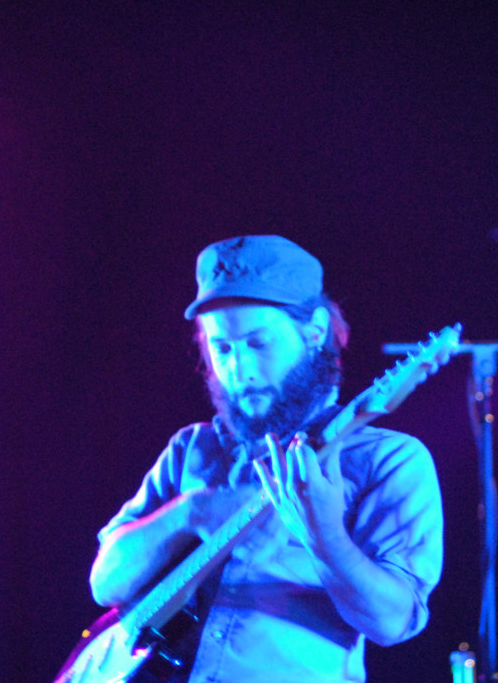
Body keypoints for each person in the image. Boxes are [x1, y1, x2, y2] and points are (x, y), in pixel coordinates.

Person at [88, 235, 443, 682]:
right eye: (222, 348)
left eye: (257, 344)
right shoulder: (191, 449)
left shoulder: (388, 460)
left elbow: (391, 623)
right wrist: (192, 511)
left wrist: (324, 534)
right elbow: (106, 582)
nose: (239, 370)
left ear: (314, 332)